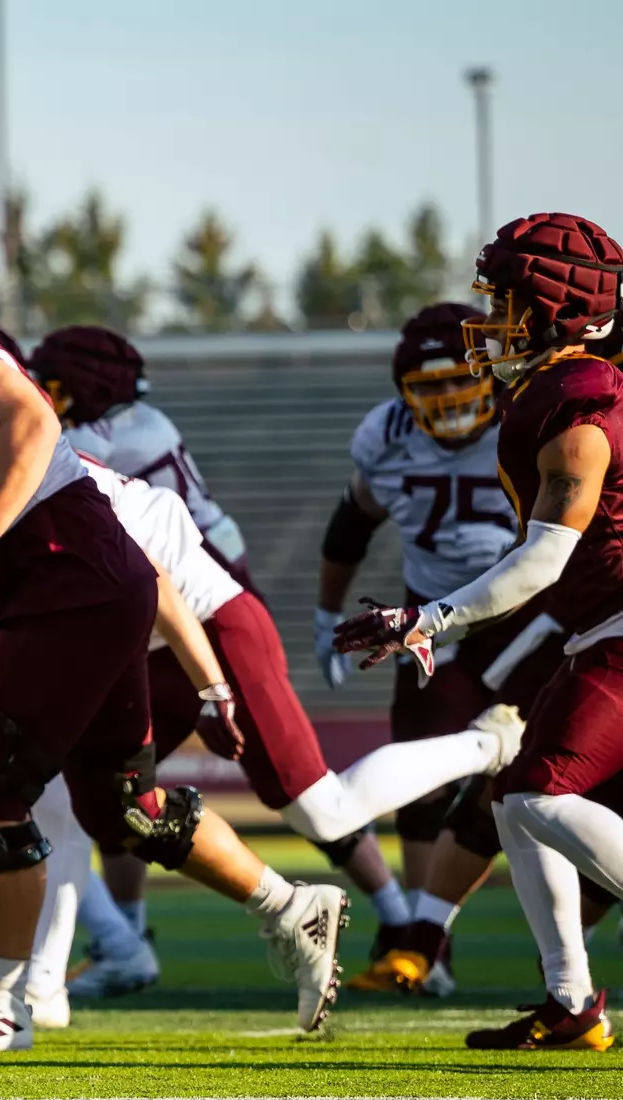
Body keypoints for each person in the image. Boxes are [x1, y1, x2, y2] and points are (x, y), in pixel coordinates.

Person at [0, 311, 346, 1051]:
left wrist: (215, 687)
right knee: (131, 808)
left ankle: (4, 1000)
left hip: (77, 593)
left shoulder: (31, 437)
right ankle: (290, 908)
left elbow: (151, 577)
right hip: (65, 597)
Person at [22, 453, 524, 1026]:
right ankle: (42, 983)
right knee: (75, 794)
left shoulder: (22, 453)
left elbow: (152, 577)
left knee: (325, 811)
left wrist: (209, 686)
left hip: (205, 624)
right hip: (139, 644)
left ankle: (491, 744)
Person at [335, 212, 623, 1051]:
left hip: (614, 625)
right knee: (515, 800)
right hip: (596, 626)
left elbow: (540, 563)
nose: (486, 322)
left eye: (502, 302)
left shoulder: (578, 407)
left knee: (539, 793)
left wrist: (427, 618)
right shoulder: (562, 389)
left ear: (552, 307)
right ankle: (570, 1003)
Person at [313, 303, 558, 989]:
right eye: (429, 390)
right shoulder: (385, 437)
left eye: (459, 384)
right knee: (424, 790)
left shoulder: (532, 416)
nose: (448, 403)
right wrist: (326, 612)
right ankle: (423, 954)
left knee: (536, 779)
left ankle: (545, 952)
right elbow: (351, 524)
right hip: (428, 625)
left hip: (532, 616)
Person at [32, 326, 254, 588]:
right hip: (211, 534)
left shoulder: (98, 440)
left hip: (194, 549)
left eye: (56, 390)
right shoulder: (147, 417)